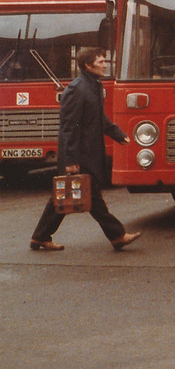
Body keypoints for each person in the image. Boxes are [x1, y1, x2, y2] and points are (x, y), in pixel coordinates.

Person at [30, 47, 141, 251]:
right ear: (88, 65)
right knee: (92, 196)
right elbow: (69, 127)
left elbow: (99, 119)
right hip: (79, 155)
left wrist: (118, 134)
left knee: (65, 196)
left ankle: (40, 236)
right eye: (101, 62)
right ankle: (117, 235)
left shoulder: (94, 86)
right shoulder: (76, 88)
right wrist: (71, 160)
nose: (105, 65)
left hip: (88, 153)